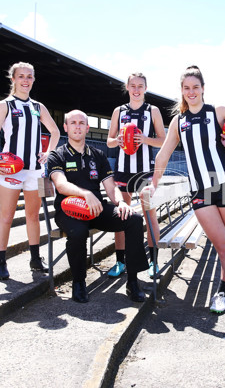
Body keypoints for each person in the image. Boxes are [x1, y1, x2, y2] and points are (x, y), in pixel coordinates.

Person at [142, 65, 225, 322]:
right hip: (200, 189)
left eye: (196, 87)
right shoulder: (178, 122)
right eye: (186, 88)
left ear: (203, 89)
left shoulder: (217, 112)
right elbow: (163, 155)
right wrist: (154, 183)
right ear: (182, 92)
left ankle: (222, 293)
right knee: (223, 246)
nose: (191, 92)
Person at [48, 110, 149, 303]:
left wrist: (120, 203)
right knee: (78, 232)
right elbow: (60, 184)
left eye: (81, 123)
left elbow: (111, 188)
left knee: (133, 219)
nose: (77, 126)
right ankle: (79, 283)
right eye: (73, 122)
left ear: (87, 128)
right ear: (66, 127)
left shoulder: (98, 155)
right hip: (69, 210)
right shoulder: (57, 155)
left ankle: (133, 282)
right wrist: (85, 193)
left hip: (96, 209)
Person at [0, 61, 60, 281]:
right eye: (21, 76)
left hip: (35, 171)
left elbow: (54, 132)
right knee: (6, 216)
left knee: (32, 217)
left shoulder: (38, 107)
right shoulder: (5, 105)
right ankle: (0, 262)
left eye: (29, 76)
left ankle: (35, 259)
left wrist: (48, 153)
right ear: (13, 79)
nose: (25, 80)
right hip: (11, 169)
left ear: (33, 80)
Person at [106, 73, 166, 279]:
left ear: (146, 88)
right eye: (133, 86)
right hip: (122, 170)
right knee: (121, 216)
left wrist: (145, 139)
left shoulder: (153, 111)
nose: (136, 89)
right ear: (127, 87)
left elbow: (162, 141)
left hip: (144, 172)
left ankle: (154, 262)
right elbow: (109, 141)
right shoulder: (118, 111)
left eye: (140, 86)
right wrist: (119, 139)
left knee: (150, 215)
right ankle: (120, 261)